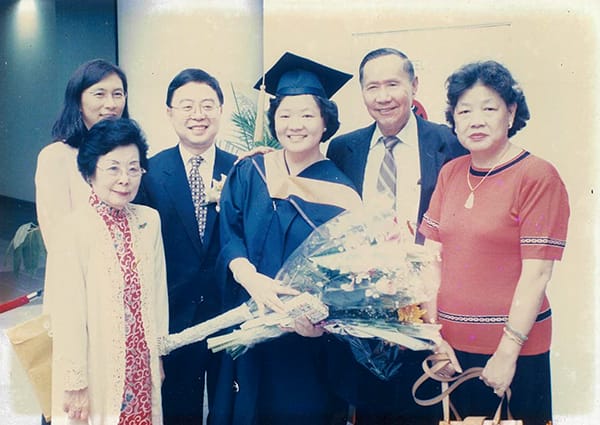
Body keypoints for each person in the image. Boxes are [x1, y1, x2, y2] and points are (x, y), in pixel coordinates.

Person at [214, 52, 362, 425]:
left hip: (303, 342)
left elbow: (346, 278)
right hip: (247, 327)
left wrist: (317, 321)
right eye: (285, 115)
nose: (295, 125)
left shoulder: (342, 194)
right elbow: (228, 232)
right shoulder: (250, 171)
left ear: (326, 121)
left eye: (307, 115)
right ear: (273, 120)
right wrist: (249, 277)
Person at [419, 60, 569, 425]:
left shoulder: (537, 176)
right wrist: (433, 339)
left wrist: (507, 353)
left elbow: (537, 275)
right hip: (451, 351)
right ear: (453, 118)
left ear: (511, 112)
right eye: (464, 110)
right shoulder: (451, 172)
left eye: (489, 108)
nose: (476, 120)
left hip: (513, 350)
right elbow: (430, 259)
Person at [325, 47, 468, 424]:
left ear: (414, 85)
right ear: (362, 93)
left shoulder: (449, 144)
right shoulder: (343, 149)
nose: (383, 96)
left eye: (393, 84)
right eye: (373, 87)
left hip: (428, 313)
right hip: (365, 315)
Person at [49, 118, 169, 424]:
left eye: (133, 167)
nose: (125, 179)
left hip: (142, 369)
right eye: (113, 168)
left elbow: (158, 294)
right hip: (96, 368)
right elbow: (67, 314)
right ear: (90, 171)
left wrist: (158, 356)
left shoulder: (148, 221)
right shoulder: (73, 228)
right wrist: (75, 382)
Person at [134, 68, 237, 425]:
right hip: (175, 318)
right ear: (169, 112)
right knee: (179, 412)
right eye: (187, 106)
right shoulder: (149, 172)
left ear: (220, 109)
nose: (198, 115)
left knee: (228, 410)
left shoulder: (242, 170)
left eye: (208, 105)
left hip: (229, 315)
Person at [34, 58, 129, 425]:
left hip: (122, 309)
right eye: (99, 93)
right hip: (79, 304)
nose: (110, 103)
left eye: (118, 94)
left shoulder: (125, 154)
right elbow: (60, 247)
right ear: (78, 99)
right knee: (73, 406)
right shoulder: (57, 157)